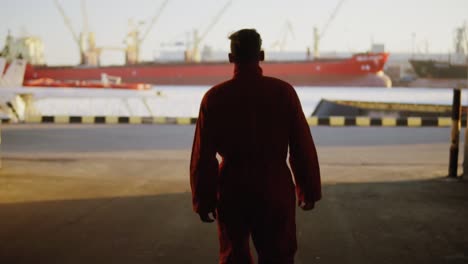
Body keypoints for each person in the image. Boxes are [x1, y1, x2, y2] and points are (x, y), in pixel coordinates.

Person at [190, 28, 321, 264]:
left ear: (231, 58)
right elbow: (301, 146)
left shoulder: (214, 97)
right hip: (275, 186)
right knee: (278, 256)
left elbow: (203, 155)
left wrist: (203, 199)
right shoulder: (284, 92)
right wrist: (308, 189)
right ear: (261, 55)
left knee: (233, 257)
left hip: (232, 188)